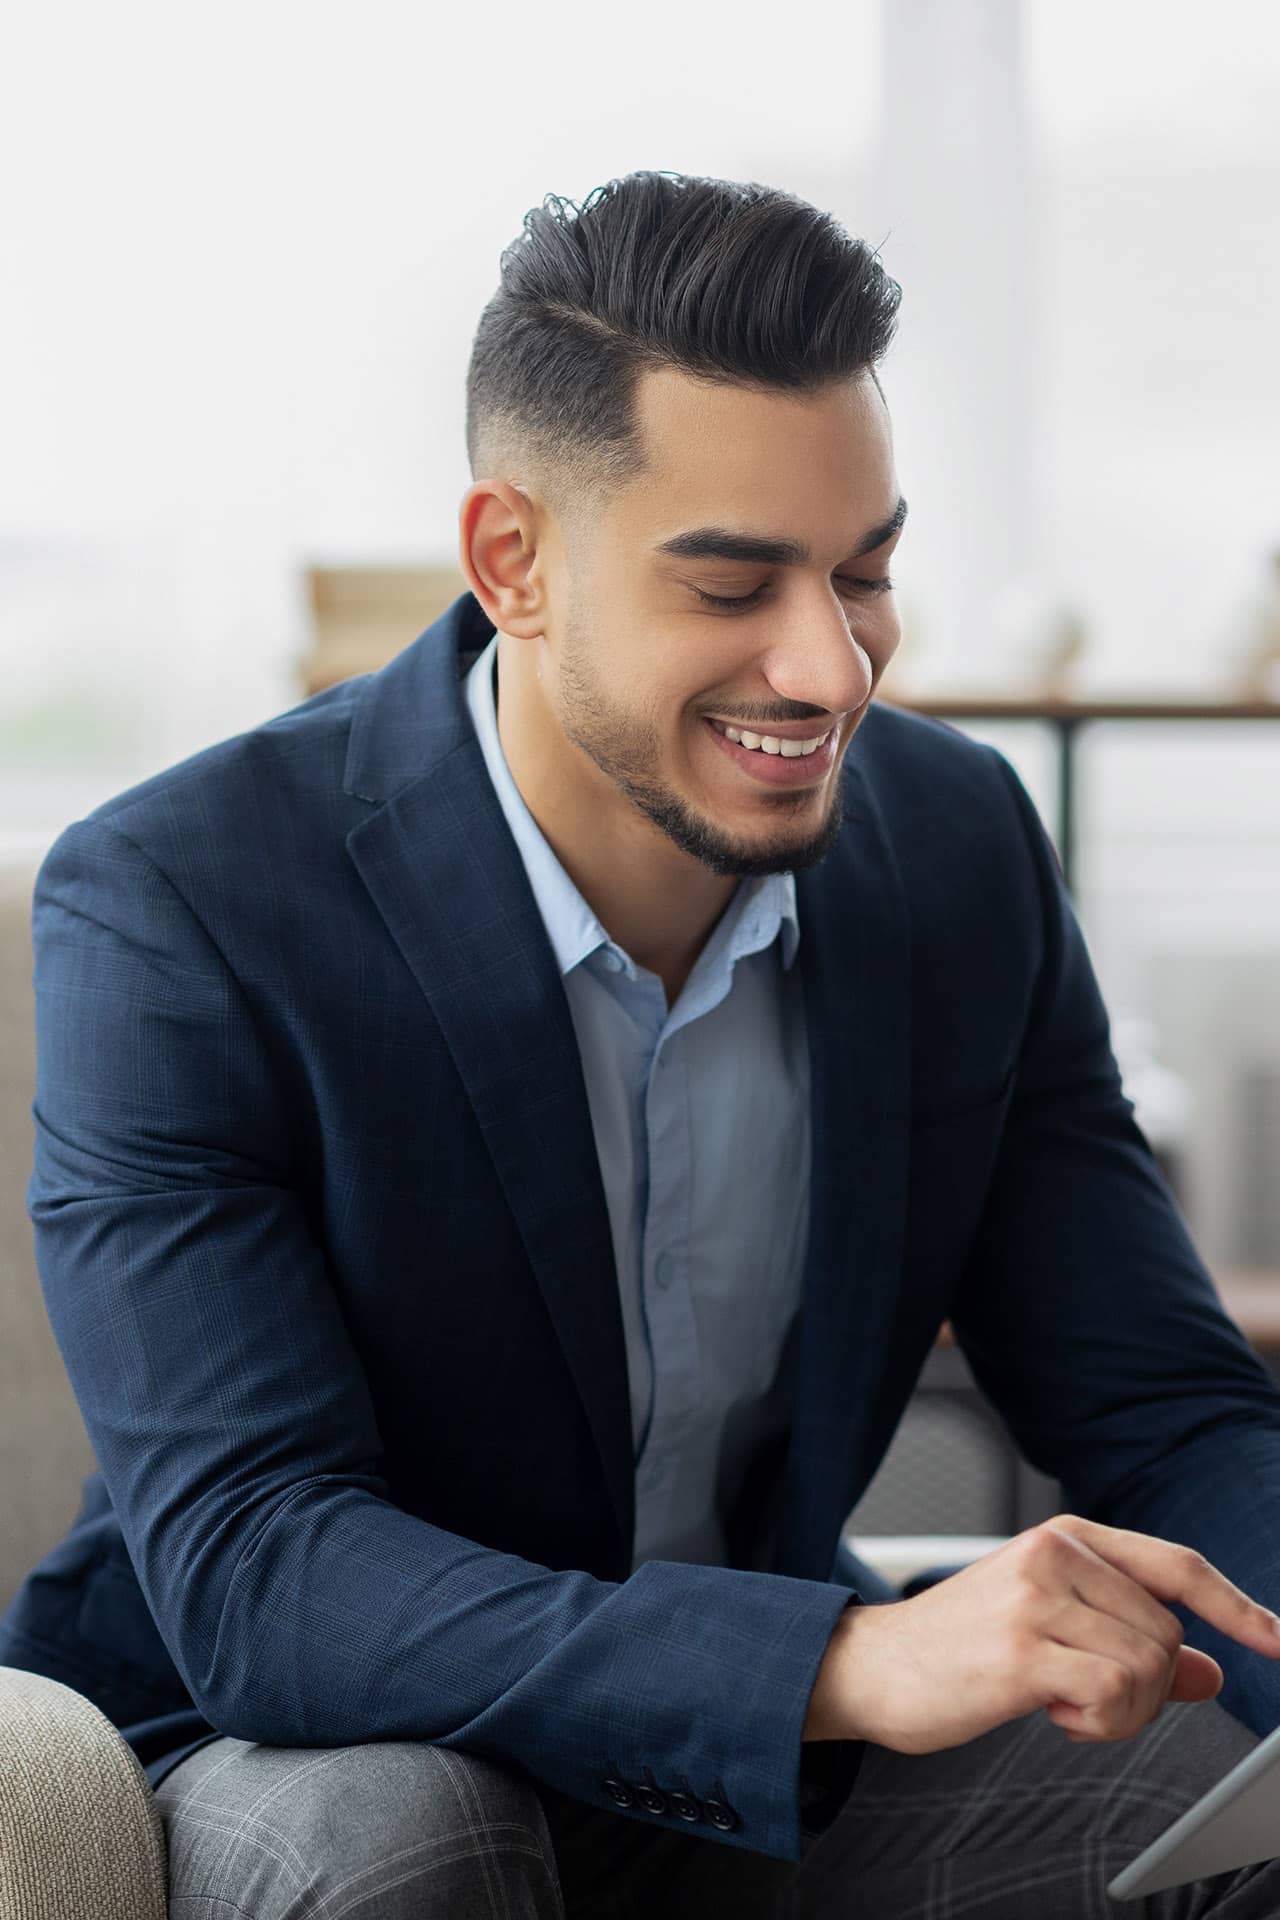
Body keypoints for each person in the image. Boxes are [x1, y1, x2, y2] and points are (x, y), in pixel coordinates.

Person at [4, 169, 1280, 1919]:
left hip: (757, 1768)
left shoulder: (958, 847)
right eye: (735, 584)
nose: (832, 668)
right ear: (513, 563)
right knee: (409, 1837)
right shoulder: (185, 902)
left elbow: (1158, 1406)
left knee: (1225, 1792)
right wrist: (836, 1665)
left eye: (865, 572)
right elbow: (261, 1564)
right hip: (296, 1734)